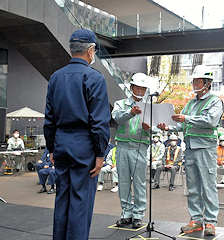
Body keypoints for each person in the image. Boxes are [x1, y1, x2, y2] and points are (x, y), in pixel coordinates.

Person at [44, 29, 111, 239]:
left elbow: (49, 118)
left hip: (61, 143)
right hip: (84, 145)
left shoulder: (56, 77)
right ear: (91, 50)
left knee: (62, 199)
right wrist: (101, 154)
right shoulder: (94, 77)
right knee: (81, 202)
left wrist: (52, 148)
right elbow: (99, 122)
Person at [158, 65, 224, 236]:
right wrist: (168, 127)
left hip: (205, 148)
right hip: (191, 149)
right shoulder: (191, 103)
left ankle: (210, 221)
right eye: (194, 81)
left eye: (198, 81)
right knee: (193, 186)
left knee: (208, 186)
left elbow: (210, 120)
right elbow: (181, 125)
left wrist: (186, 118)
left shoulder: (215, 101)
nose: (194, 84)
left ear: (208, 83)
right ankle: (196, 220)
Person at [112, 72, 153, 229]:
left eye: (143, 89)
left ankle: (138, 215)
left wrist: (151, 128)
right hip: (122, 146)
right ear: (131, 87)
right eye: (138, 88)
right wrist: (131, 112)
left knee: (139, 182)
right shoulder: (120, 104)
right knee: (123, 181)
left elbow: (156, 128)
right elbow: (117, 118)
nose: (140, 91)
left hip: (140, 148)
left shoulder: (149, 107)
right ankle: (126, 213)